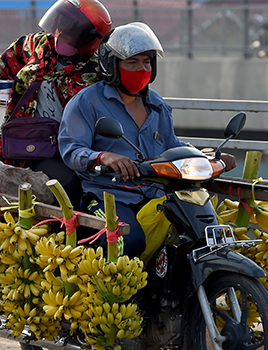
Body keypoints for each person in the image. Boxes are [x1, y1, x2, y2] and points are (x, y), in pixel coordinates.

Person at [58, 22, 237, 257]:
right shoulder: (87, 102)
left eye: (147, 62)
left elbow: (171, 146)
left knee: (197, 238)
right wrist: (104, 157)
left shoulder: (158, 106)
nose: (141, 69)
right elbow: (71, 148)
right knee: (129, 242)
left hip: (157, 193)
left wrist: (205, 157)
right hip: (108, 195)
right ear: (113, 66)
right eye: (132, 62)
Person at [0, 0, 111, 209]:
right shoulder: (38, 44)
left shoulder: (97, 73)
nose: (62, 32)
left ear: (90, 40)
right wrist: (1, 94)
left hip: (65, 151)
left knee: (71, 184)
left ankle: (67, 235)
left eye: (72, 29)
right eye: (61, 23)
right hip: (21, 142)